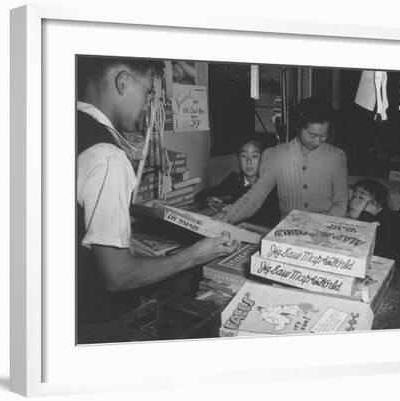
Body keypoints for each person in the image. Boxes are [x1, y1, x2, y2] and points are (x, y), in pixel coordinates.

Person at [76, 56, 238, 325]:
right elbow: (118, 276)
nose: (148, 106)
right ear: (123, 82)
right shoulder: (107, 157)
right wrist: (193, 256)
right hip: (94, 319)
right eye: (148, 93)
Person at [215, 97, 349, 223]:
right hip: (287, 230)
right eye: (312, 135)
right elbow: (255, 196)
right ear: (299, 128)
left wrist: (321, 228)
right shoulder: (275, 156)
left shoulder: (336, 157)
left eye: (324, 135)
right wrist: (230, 215)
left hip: (325, 230)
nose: (318, 141)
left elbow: (341, 203)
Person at [195, 139, 281, 227]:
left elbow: (272, 219)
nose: (249, 162)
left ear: (263, 159)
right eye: (244, 156)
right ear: (238, 159)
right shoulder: (234, 180)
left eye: (254, 156)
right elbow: (201, 194)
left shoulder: (270, 185)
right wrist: (209, 200)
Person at [347, 178, 395, 259]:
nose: (353, 201)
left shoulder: (378, 227)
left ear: (376, 206)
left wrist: (367, 215)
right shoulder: (346, 217)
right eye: (353, 196)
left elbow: (360, 245)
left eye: (361, 198)